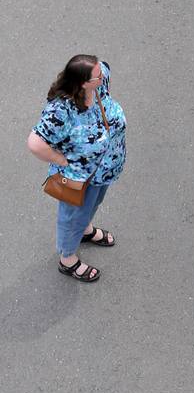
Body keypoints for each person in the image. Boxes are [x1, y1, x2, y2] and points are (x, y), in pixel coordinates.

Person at [28, 55, 127, 283]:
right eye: (97, 75)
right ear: (83, 82)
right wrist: (62, 161)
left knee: (93, 204)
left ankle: (84, 230)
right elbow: (35, 143)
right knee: (72, 217)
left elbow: (104, 66)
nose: (103, 75)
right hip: (80, 178)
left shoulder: (98, 85)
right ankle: (68, 259)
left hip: (104, 170)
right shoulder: (61, 111)